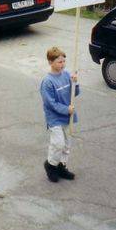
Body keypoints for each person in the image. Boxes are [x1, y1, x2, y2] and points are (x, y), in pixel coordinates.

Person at [40, 46, 80, 183]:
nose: (62, 64)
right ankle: (51, 165)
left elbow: (75, 94)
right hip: (55, 118)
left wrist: (75, 83)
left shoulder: (67, 75)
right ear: (50, 62)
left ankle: (62, 166)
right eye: (59, 62)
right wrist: (66, 109)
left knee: (67, 144)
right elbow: (50, 104)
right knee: (58, 144)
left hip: (67, 116)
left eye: (63, 61)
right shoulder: (47, 82)